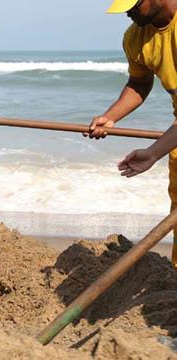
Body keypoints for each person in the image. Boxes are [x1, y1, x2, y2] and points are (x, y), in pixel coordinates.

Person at [89, 0, 177, 266]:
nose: (128, 12)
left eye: (134, 5)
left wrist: (153, 153)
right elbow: (139, 82)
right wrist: (110, 117)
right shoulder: (135, 37)